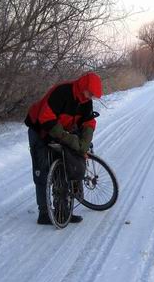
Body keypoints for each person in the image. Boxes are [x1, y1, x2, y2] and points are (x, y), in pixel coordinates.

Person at [25, 72, 103, 225]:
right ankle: (44, 213)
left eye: (93, 95)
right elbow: (46, 119)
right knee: (43, 171)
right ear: (83, 87)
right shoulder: (62, 92)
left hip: (59, 130)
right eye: (90, 93)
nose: (90, 97)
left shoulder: (85, 101)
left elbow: (88, 122)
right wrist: (69, 139)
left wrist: (84, 143)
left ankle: (63, 211)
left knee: (66, 167)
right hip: (39, 130)